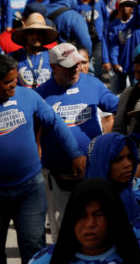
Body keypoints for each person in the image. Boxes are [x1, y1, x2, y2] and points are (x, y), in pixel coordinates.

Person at [0, 54, 86, 264]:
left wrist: (74, 153)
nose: (14, 85)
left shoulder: (28, 96)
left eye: (15, 80)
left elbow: (54, 123)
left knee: (35, 250)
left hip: (29, 189)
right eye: (7, 82)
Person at [37, 43, 119, 240]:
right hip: (58, 176)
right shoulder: (41, 95)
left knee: (96, 227)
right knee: (64, 230)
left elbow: (115, 106)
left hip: (93, 171)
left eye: (77, 64)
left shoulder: (93, 83)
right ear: (54, 67)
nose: (75, 69)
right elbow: (33, 134)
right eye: (68, 66)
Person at [27, 178, 140, 264]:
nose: (90, 223)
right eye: (81, 215)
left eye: (98, 214)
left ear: (112, 217)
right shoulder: (43, 261)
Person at [84, 133, 140, 234]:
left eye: (130, 157)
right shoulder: (88, 205)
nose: (128, 164)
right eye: (117, 159)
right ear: (101, 163)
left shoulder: (127, 194)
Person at [11, 12, 57, 89]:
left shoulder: (52, 55)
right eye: (32, 32)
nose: (36, 36)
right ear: (25, 35)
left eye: (40, 33)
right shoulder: (14, 57)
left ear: (44, 35)